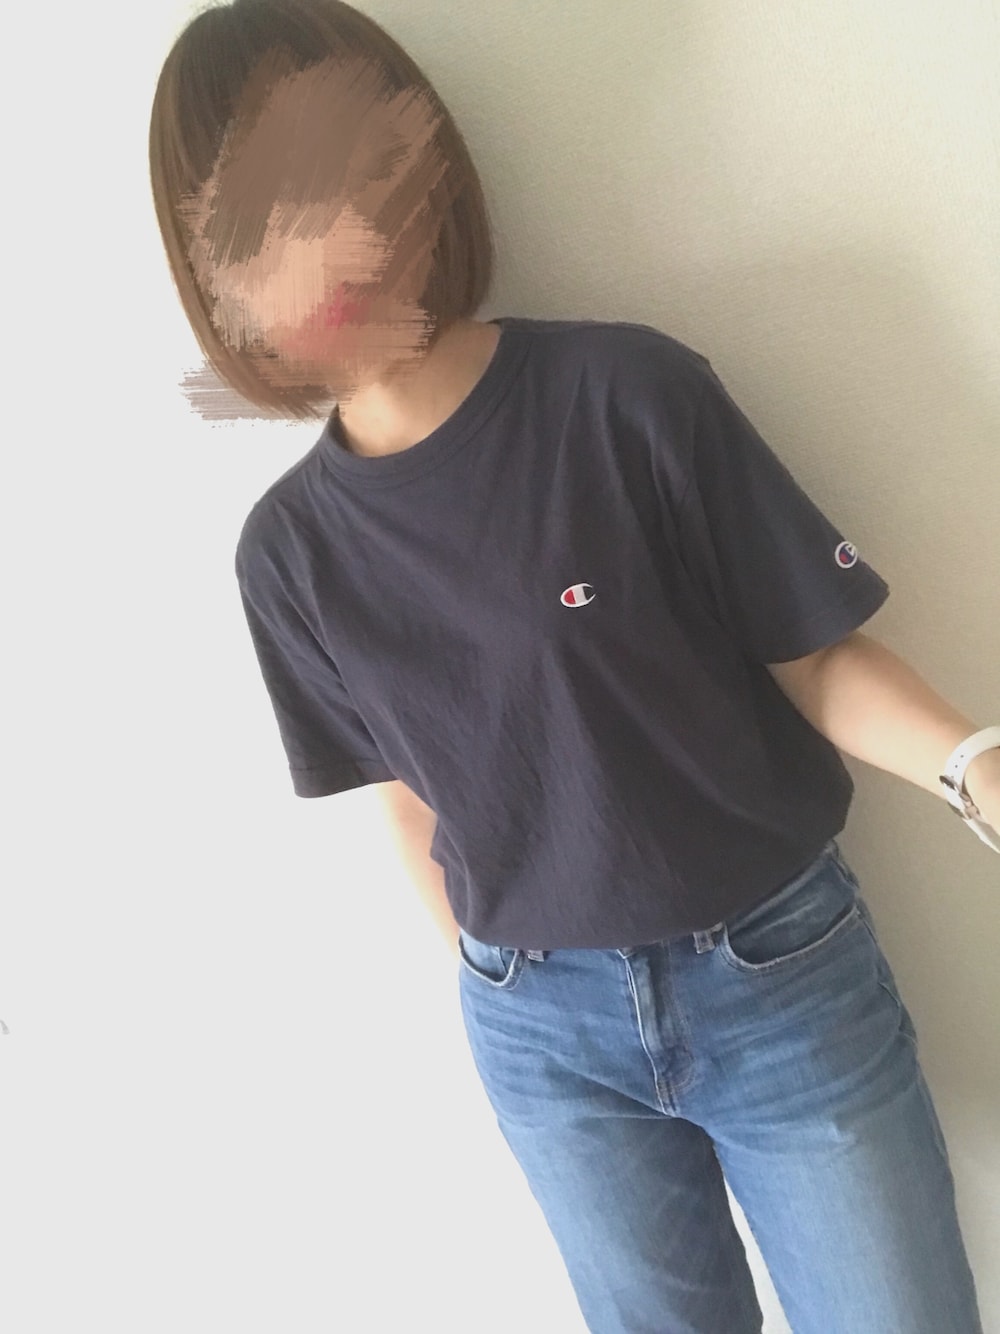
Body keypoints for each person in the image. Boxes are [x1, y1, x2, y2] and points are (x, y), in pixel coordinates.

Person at [148, 4, 994, 1330]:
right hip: (542, 1037)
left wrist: (974, 763)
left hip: (779, 977)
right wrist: (508, 982)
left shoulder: (628, 396)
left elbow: (816, 659)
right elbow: (406, 799)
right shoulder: (290, 555)